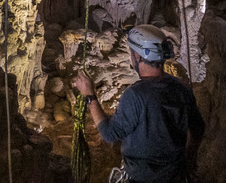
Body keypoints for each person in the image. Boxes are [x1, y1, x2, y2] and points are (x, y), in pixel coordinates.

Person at [72, 25, 206, 183]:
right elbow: (198, 128)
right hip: (175, 176)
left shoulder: (135, 95)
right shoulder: (182, 88)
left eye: (131, 52)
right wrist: (189, 159)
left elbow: (109, 134)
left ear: (138, 55)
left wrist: (89, 95)